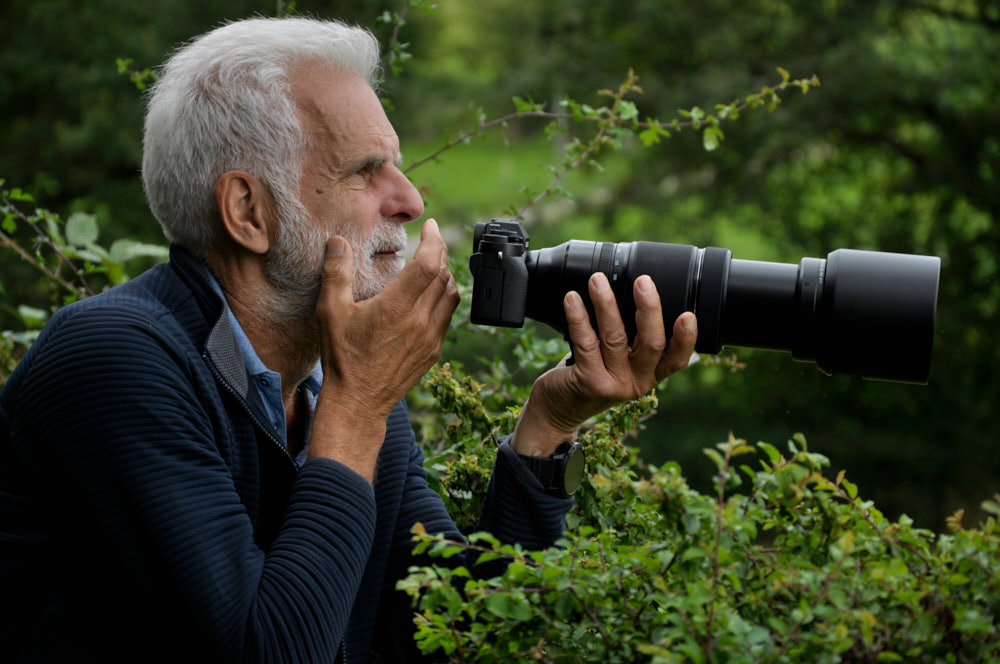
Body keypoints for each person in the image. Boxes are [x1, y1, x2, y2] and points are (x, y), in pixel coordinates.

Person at [0, 16, 697, 663]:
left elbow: (458, 634)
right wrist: (358, 407)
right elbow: (267, 649)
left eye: (396, 164)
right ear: (249, 211)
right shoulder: (114, 360)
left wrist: (550, 425)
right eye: (366, 171)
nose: (410, 198)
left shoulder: (339, 387)